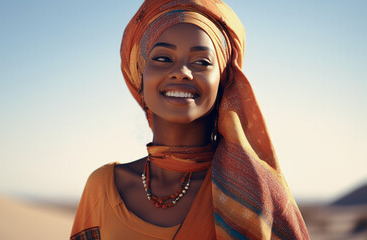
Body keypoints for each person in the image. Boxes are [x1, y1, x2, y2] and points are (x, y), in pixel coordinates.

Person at [71, 0, 310, 239]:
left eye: (202, 62)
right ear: (140, 78)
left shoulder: (255, 197)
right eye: (163, 58)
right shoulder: (102, 188)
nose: (182, 71)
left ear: (223, 82)